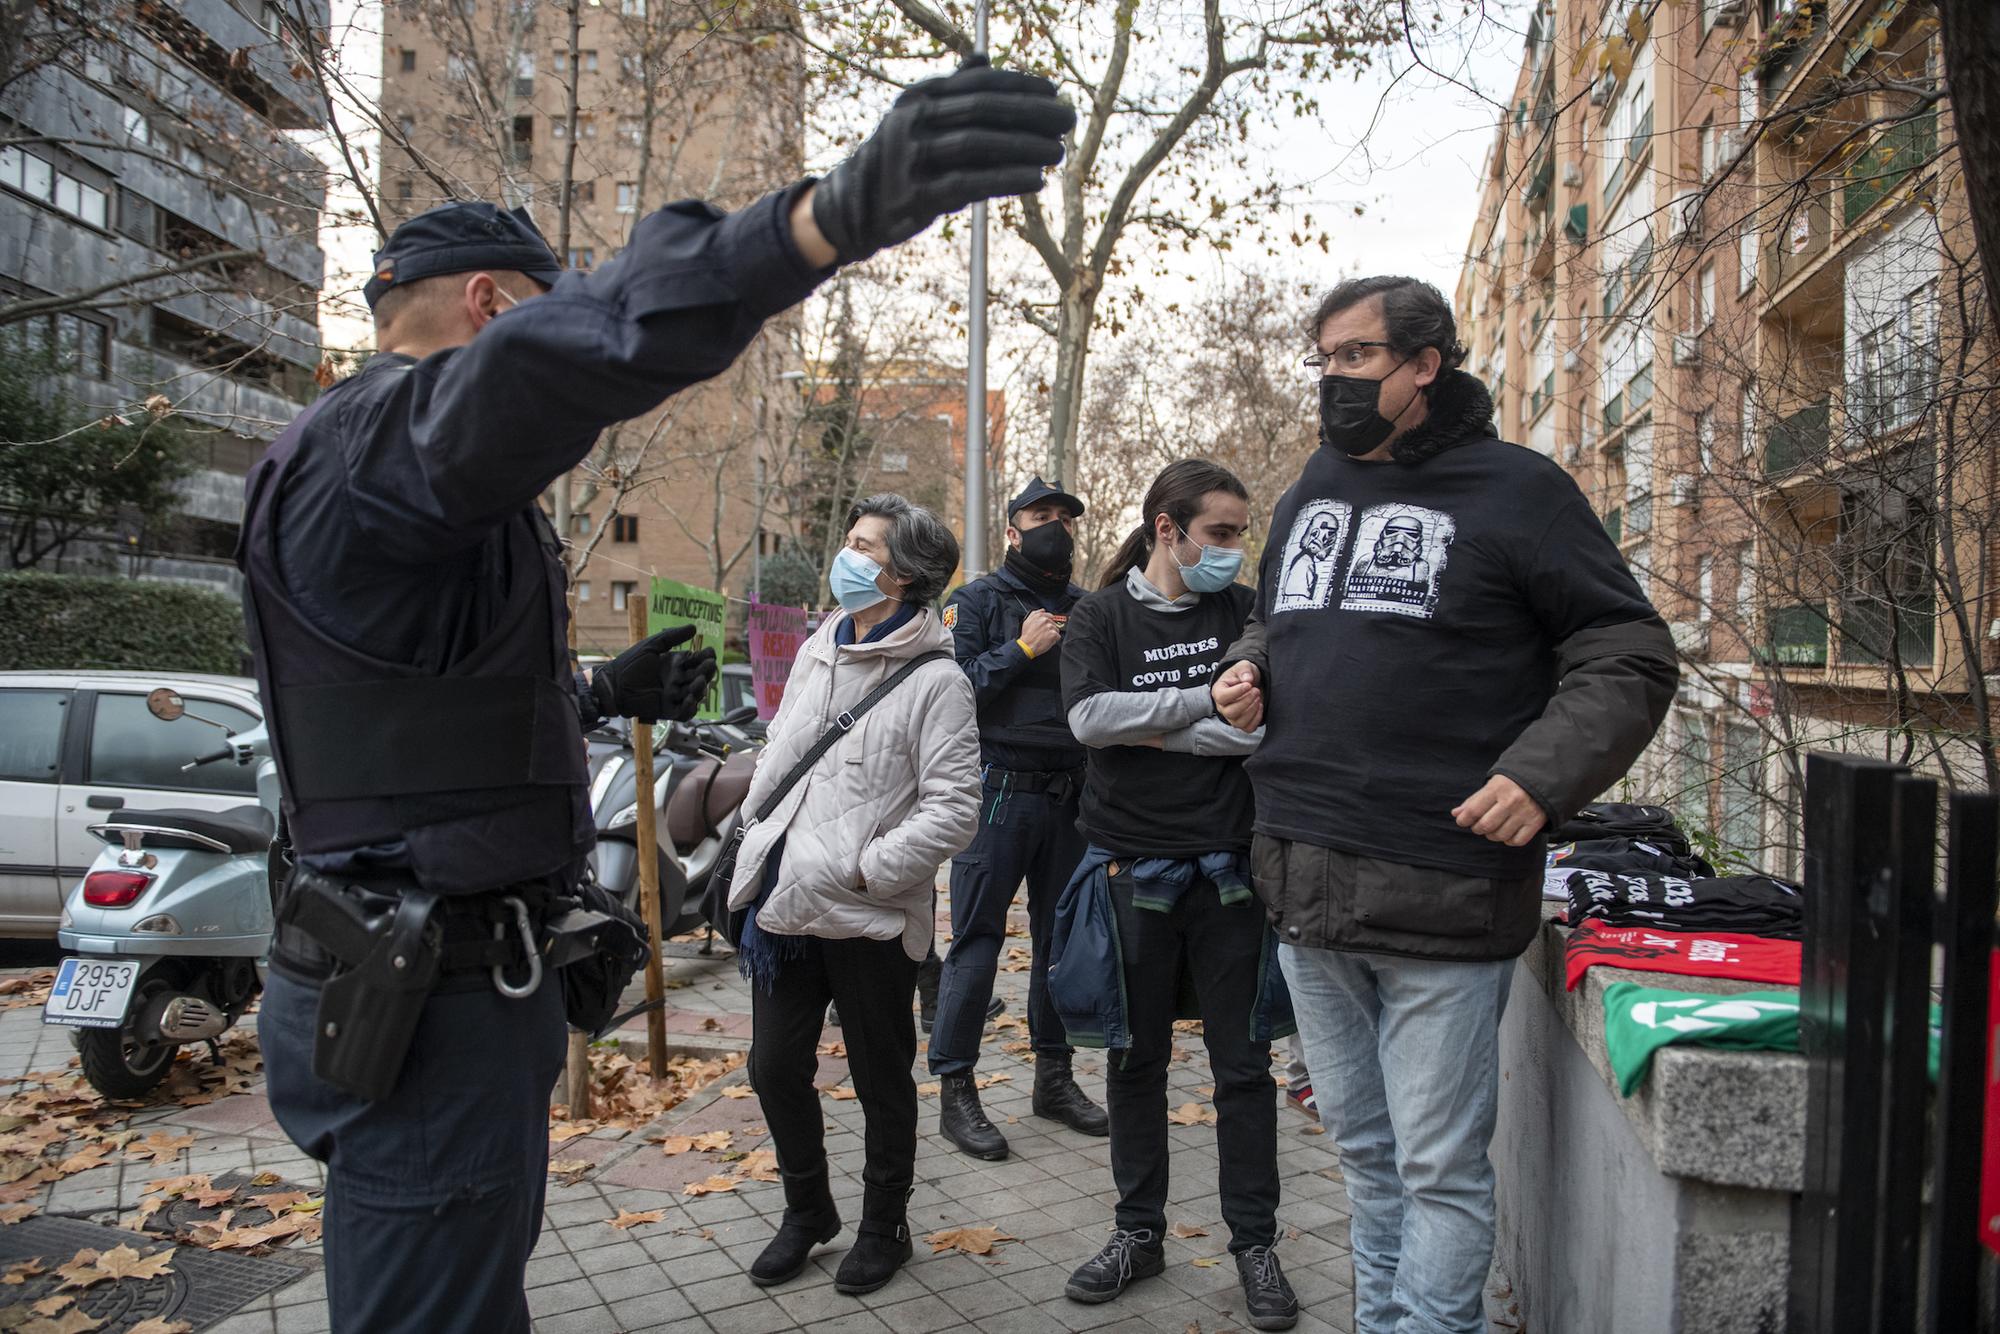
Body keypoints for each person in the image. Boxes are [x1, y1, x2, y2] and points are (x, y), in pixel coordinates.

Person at [238, 61, 1075, 1334]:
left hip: (429, 980)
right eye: (533, 314)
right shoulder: (386, 441)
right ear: (484, 306)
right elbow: (544, 371)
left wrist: (585, 695)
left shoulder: (361, 472)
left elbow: (395, 715)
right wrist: (814, 223)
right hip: (427, 993)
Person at [1212, 276, 1677, 1334]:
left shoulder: (1519, 490)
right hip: (1298, 883)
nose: (1334, 379)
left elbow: (1628, 652)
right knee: (1366, 1159)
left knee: (1436, 1173)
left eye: (1358, 357)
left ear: (1427, 364)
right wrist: (1242, 671)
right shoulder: (1308, 490)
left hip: (1440, 889)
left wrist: (1540, 773)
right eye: (1323, 358)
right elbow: (1277, 625)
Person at [1051, 460, 1300, 1332]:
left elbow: (1269, 728)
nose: (1235, 551)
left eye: (1239, 534)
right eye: (1222, 533)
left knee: (1244, 1068)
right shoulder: (1100, 615)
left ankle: (1256, 1246)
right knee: (1134, 1063)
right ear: (1168, 527)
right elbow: (1088, 722)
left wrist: (1152, 730)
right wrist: (1198, 707)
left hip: (1231, 876)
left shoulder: (1246, 611)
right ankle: (1137, 1234)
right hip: (1131, 877)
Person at [732, 496, 980, 1296]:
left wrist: (867, 870)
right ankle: (809, 1214)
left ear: (902, 575)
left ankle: (885, 1227)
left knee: (881, 1079)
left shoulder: (938, 681)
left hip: (868, 911)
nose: (846, 554)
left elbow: (955, 808)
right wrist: (751, 827)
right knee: (773, 1067)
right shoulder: (818, 646)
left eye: (862, 545)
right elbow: (783, 748)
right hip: (785, 901)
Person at [928, 475, 1107, 1160]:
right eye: (1040, 514)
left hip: (1071, 799)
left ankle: (1053, 1080)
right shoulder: (973, 602)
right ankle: (956, 1090)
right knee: (976, 944)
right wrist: (1023, 650)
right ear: (1011, 528)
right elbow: (948, 693)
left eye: (1064, 515)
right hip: (997, 797)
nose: (1053, 525)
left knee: (1061, 948)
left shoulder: (1090, 609)